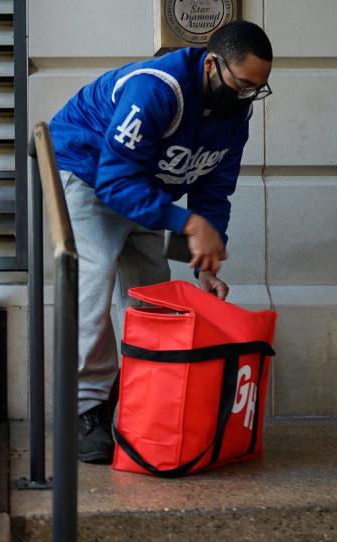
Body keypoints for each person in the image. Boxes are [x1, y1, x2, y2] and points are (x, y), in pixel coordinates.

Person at [48, 20, 273, 464]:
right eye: (242, 84)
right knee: (93, 282)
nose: (248, 96)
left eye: (257, 89)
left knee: (151, 296)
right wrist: (187, 224)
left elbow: (214, 189)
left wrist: (204, 267)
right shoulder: (157, 89)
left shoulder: (235, 114)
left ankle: (139, 400)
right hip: (91, 172)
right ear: (212, 64)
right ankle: (84, 409)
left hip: (144, 186)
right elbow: (113, 179)